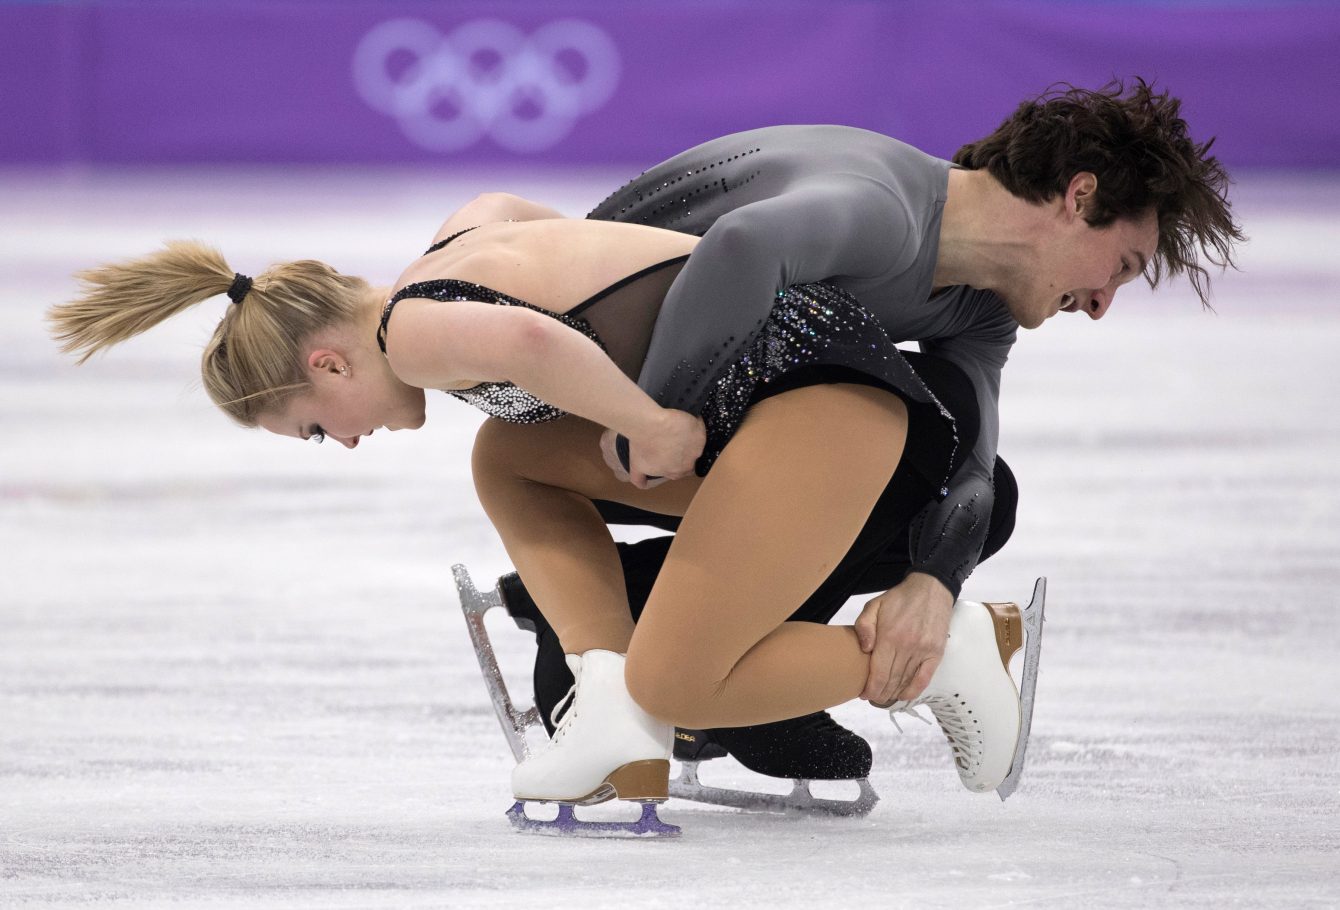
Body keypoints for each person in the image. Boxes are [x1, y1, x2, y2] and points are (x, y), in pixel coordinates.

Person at [48, 78, 1240, 829]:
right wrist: (640, 383)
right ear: (1078, 196)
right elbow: (558, 228)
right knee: (507, 461)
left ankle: (940, 658)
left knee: (697, 665)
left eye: (316, 428)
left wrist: (652, 418)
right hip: (792, 412)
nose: (1101, 301)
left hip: (823, 416)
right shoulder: (879, 200)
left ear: (322, 368)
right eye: (1121, 268)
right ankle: (613, 688)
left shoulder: (413, 320)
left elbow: (725, 261)